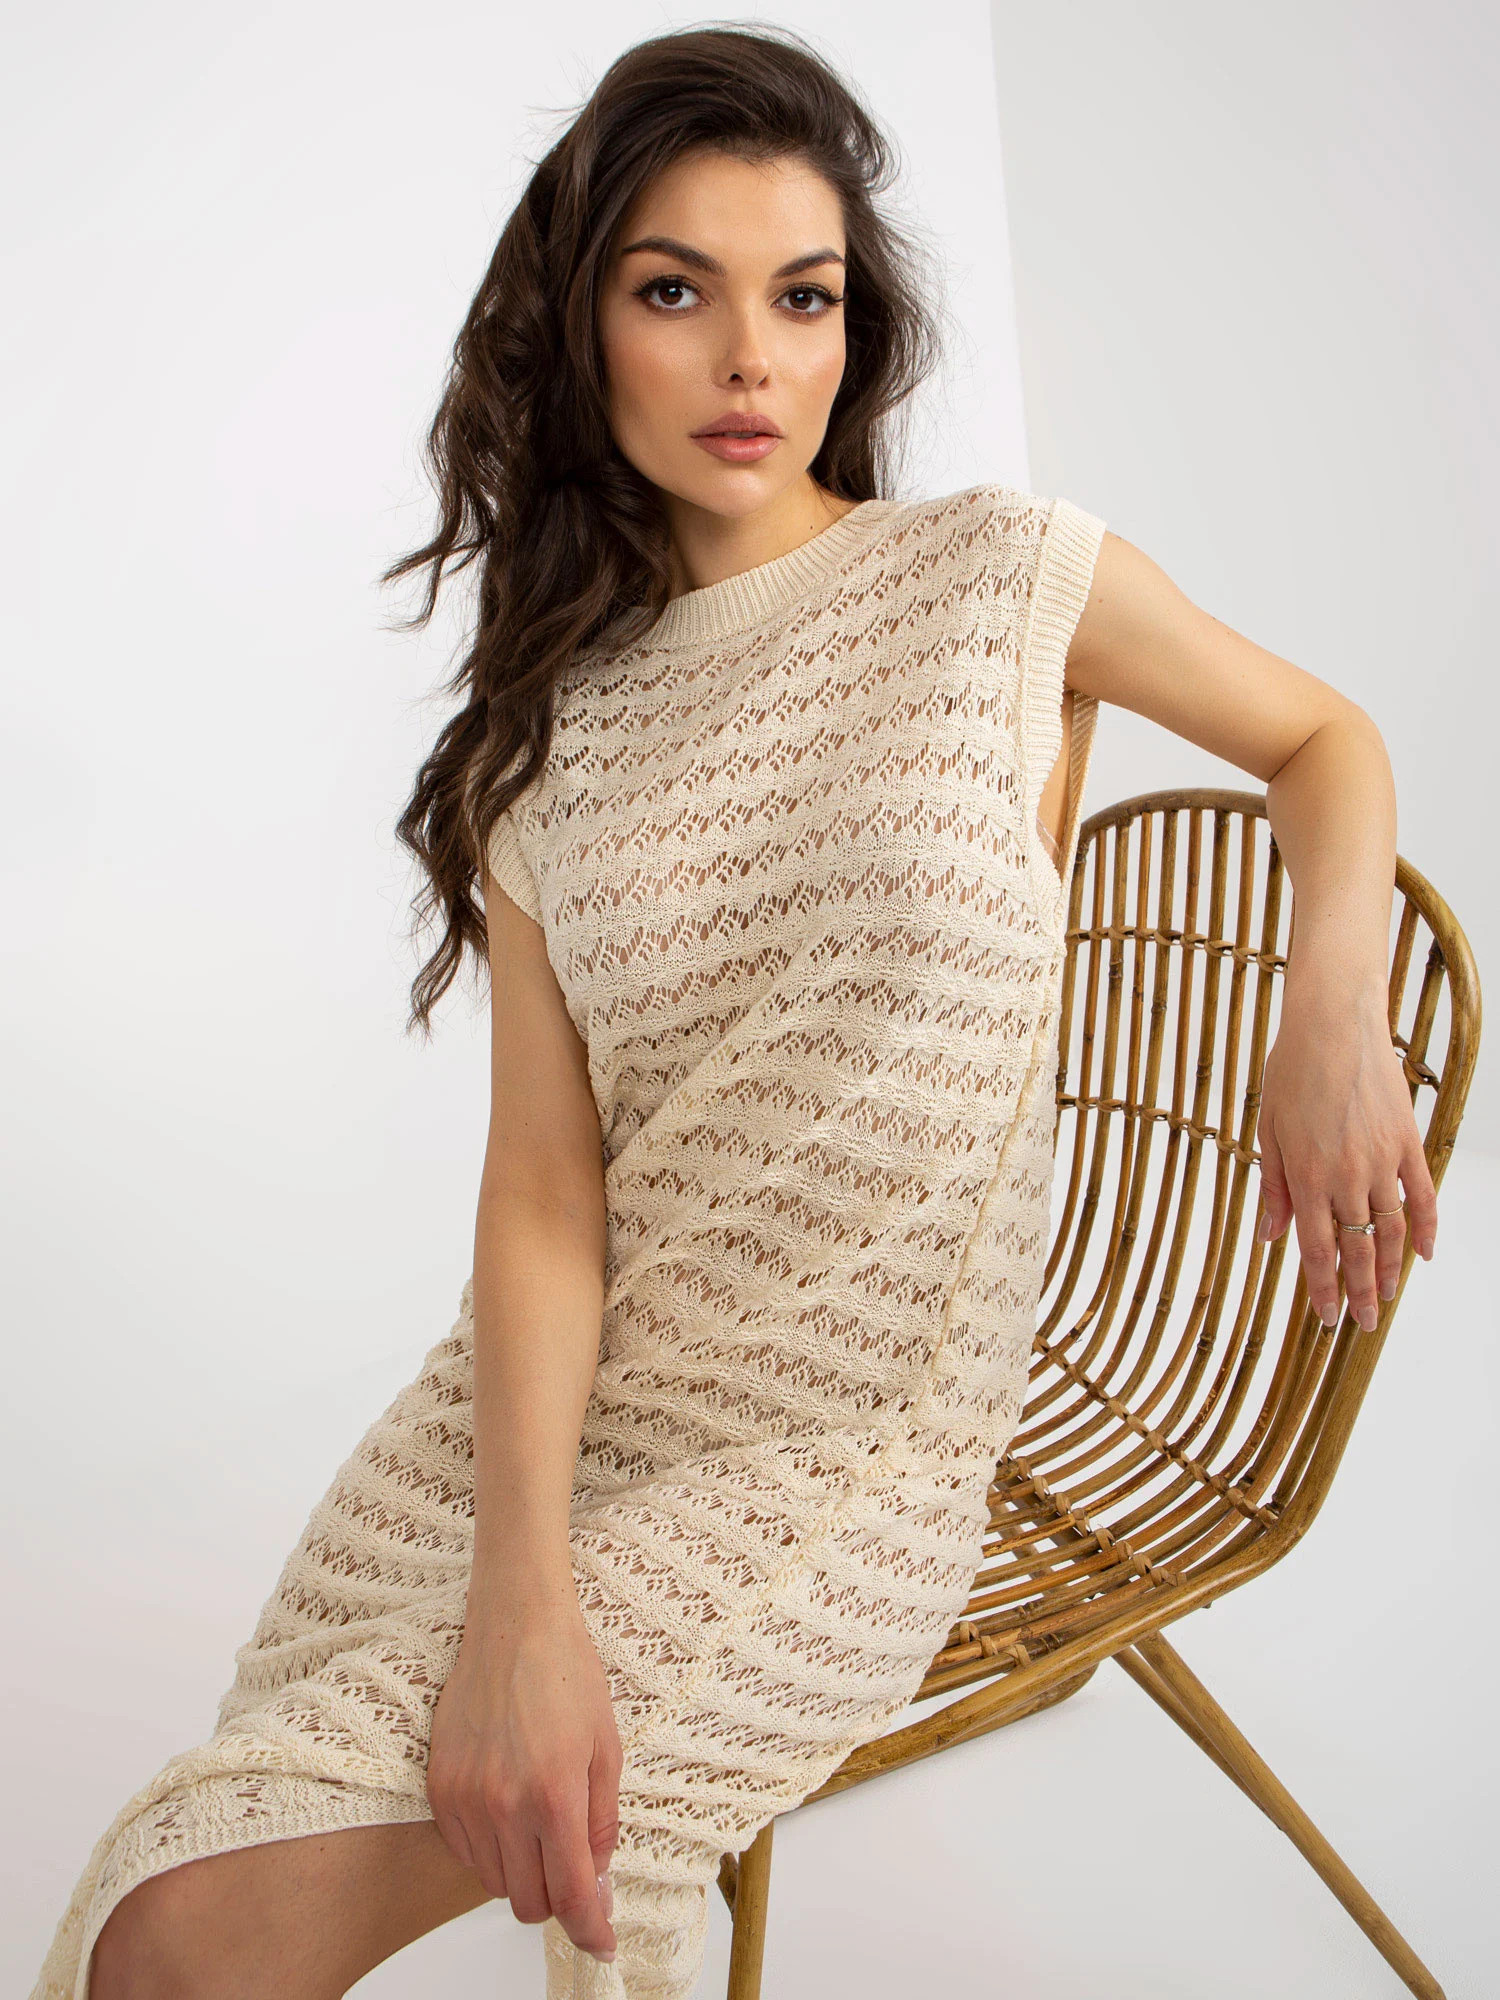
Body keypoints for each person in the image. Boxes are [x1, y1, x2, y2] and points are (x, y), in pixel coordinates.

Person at [30, 22, 1437, 2000]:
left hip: (846, 1457)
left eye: (806, 296)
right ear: (582, 328)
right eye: (677, 292)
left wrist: (1330, 1009)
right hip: (542, 1415)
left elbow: (1322, 737)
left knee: (179, 1940)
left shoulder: (997, 582)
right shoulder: (550, 743)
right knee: (164, 1875)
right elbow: (545, 1193)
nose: (752, 360)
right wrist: (522, 1591)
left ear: (859, 330)